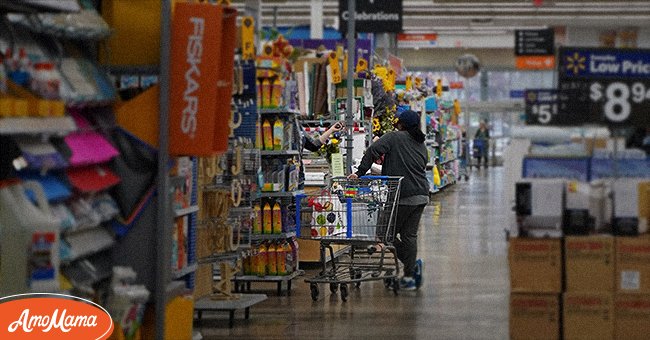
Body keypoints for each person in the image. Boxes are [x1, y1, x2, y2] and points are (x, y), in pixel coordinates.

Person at [348, 110, 428, 290]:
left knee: (384, 234)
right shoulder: (421, 144)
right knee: (409, 236)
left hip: (402, 195)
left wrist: (359, 172)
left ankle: (411, 265)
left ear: (401, 124)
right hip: (422, 195)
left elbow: (372, 150)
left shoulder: (394, 137)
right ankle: (409, 275)